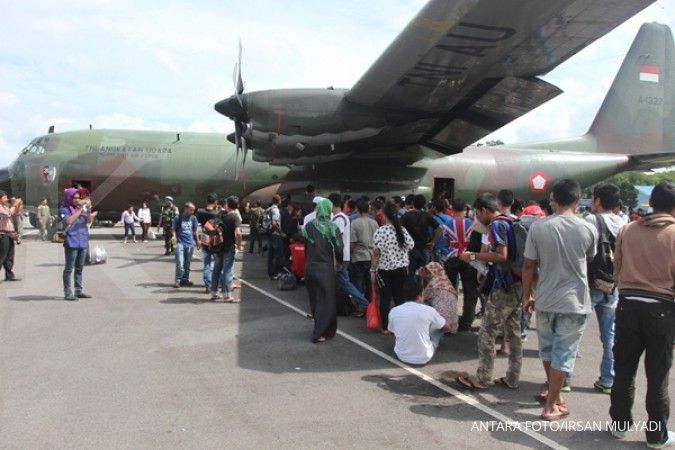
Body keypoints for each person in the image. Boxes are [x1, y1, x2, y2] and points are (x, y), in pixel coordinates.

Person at [522, 179, 598, 421]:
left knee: (547, 351)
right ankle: (551, 405)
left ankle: (555, 397)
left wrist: (527, 295)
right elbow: (589, 258)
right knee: (563, 354)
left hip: (545, 298)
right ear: (577, 200)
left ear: (553, 198)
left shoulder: (538, 227)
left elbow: (528, 265)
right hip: (574, 302)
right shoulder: (588, 229)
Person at [609, 181, 675, 448]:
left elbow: (617, 269)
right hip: (662, 308)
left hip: (627, 304)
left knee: (624, 369)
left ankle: (620, 424)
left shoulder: (627, 229)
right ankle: (656, 435)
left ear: (652, 203)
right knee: (658, 374)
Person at [456, 193, 524, 391]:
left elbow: (501, 255)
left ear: (484, 210)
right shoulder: (512, 220)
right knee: (514, 333)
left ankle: (483, 377)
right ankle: (513, 377)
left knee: (486, 332)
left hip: (504, 286)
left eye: (477, 214)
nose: (477, 218)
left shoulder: (496, 224)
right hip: (518, 282)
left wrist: (474, 255)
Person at [585, 183, 625, 395]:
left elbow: (585, 252)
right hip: (612, 284)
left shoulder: (592, 220)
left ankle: (564, 379)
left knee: (575, 331)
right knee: (609, 334)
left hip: (591, 282)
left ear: (598, 201)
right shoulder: (624, 222)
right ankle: (607, 379)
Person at [301, 198, 343, 343]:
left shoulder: (308, 226)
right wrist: (339, 261)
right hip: (325, 268)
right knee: (326, 301)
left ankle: (326, 330)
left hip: (310, 267)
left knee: (315, 299)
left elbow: (304, 242)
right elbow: (338, 249)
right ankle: (318, 333)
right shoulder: (333, 228)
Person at [371, 202, 414, 333]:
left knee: (385, 299)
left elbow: (376, 253)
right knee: (399, 298)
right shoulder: (402, 230)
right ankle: (399, 326)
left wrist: (372, 270)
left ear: (384, 215)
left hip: (384, 270)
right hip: (401, 270)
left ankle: (385, 327)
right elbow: (411, 245)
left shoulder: (381, 231)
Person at [388, 281, 450, 365]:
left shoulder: (394, 311)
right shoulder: (429, 310)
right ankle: (428, 344)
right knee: (439, 328)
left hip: (401, 355)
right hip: (424, 357)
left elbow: (392, 330)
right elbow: (447, 327)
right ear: (419, 296)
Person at [329, 193, 370, 315]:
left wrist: (335, 259)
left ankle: (364, 304)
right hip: (344, 256)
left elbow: (338, 239)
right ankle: (363, 304)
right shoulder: (343, 217)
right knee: (345, 283)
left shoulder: (339, 219)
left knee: (340, 283)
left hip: (339, 257)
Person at [442, 198, 479, 332]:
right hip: (468, 258)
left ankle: (450, 320)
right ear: (465, 209)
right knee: (470, 291)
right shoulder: (471, 223)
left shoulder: (447, 223)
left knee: (451, 290)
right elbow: (474, 240)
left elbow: (446, 241)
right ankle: (466, 322)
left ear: (452, 209)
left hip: (452, 258)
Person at [59, 188, 97, 300]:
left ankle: (78, 290)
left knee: (80, 268)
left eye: (79, 198)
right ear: (69, 198)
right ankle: (67, 292)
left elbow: (89, 221)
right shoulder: (64, 209)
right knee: (69, 268)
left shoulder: (82, 209)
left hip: (83, 241)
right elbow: (69, 221)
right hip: (72, 241)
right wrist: (80, 209)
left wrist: (88, 210)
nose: (77, 200)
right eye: (74, 198)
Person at [401, 194, 441, 282]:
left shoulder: (406, 216)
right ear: (424, 204)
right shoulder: (426, 216)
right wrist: (433, 241)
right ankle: (422, 290)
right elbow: (440, 228)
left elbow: (399, 229)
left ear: (413, 203)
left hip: (411, 250)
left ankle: (413, 292)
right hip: (424, 248)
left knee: (410, 273)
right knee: (425, 273)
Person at [211, 196, 243, 302]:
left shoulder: (220, 215)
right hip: (228, 247)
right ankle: (227, 295)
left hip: (218, 246)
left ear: (227, 204)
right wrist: (238, 245)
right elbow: (238, 233)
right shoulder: (234, 217)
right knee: (227, 271)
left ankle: (214, 293)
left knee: (216, 270)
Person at [350, 198, 379, 299]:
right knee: (369, 284)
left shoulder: (354, 223)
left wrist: (350, 253)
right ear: (369, 210)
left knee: (358, 282)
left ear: (358, 209)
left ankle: (360, 305)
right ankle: (369, 305)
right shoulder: (374, 223)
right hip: (372, 257)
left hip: (358, 256)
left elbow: (352, 242)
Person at [418, 262, 458, 333]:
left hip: (441, 325)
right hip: (450, 325)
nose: (427, 274)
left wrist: (421, 278)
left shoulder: (434, 284)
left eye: (428, 272)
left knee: (422, 304)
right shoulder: (446, 282)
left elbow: (421, 298)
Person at [172, 202, 200, 288]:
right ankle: (178, 280)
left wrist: (198, 241)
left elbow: (195, 230)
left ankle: (185, 280)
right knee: (180, 262)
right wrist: (174, 237)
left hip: (190, 244)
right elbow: (173, 229)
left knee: (187, 264)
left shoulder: (193, 218)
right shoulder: (178, 218)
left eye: (193, 210)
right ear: (186, 209)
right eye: (191, 210)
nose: (192, 212)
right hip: (180, 243)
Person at [196, 194, 219, 293]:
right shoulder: (217, 213)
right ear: (215, 202)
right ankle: (220, 283)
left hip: (205, 238)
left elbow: (196, 227)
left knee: (207, 263)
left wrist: (197, 240)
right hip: (215, 239)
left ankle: (208, 285)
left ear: (206, 201)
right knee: (218, 262)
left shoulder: (200, 212)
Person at [0, 191, 21, 282]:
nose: (7, 199)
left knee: (10, 255)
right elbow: (8, 213)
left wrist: (17, 206)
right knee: (2, 256)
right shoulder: (1, 208)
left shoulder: (5, 207)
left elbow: (14, 214)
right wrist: (15, 204)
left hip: (9, 233)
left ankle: (9, 274)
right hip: (2, 233)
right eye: (4, 198)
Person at [266, 195, 285, 280]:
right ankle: (275, 273)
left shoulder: (269, 209)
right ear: (279, 201)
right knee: (278, 255)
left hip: (270, 234)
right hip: (276, 235)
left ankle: (271, 273)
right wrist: (281, 233)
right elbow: (274, 223)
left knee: (270, 255)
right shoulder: (276, 210)